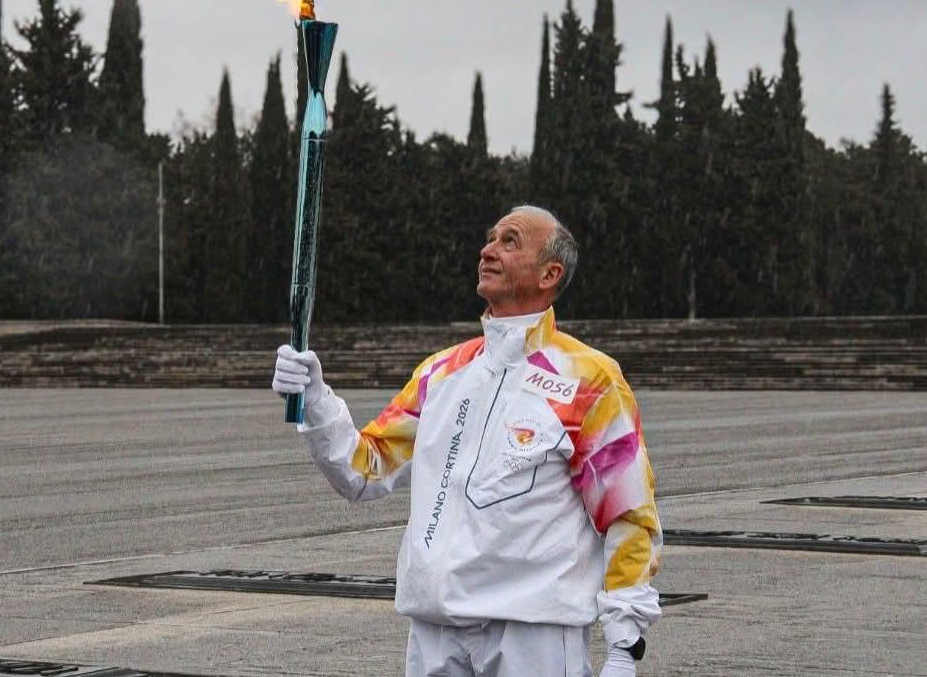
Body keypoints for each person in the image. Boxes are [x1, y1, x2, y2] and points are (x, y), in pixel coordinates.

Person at [272, 205, 661, 677]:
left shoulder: (590, 380)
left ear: (550, 273)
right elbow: (366, 468)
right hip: (435, 634)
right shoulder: (441, 372)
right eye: (491, 238)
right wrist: (316, 400)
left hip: (531, 634)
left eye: (510, 241)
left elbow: (628, 515)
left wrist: (623, 646)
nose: (488, 250)